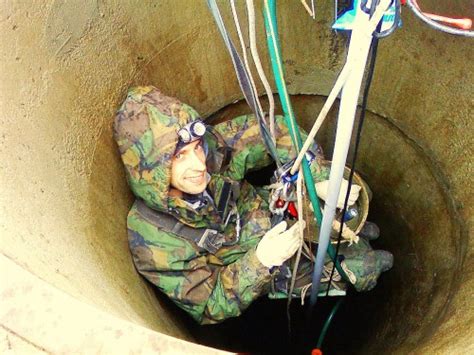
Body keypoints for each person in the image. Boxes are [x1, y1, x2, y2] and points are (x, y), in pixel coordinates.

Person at [114, 86, 393, 324]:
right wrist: (262, 261)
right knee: (362, 267)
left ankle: (347, 235)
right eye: (180, 156)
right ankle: (351, 266)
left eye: (197, 147)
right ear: (151, 168)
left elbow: (274, 130)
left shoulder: (214, 153)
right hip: (264, 266)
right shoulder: (152, 241)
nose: (199, 164)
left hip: (277, 211)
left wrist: (314, 176)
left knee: (352, 224)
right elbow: (211, 304)